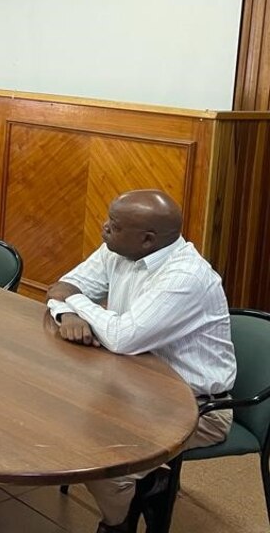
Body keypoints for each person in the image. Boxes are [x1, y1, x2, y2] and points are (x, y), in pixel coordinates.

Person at [46, 189, 236, 533]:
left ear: (148, 240)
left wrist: (78, 304)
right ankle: (150, 488)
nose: (104, 228)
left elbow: (122, 337)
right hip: (129, 384)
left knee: (101, 459)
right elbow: (63, 286)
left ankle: (117, 523)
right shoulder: (119, 249)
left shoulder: (185, 277)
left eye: (114, 225)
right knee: (55, 416)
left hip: (195, 406)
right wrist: (66, 314)